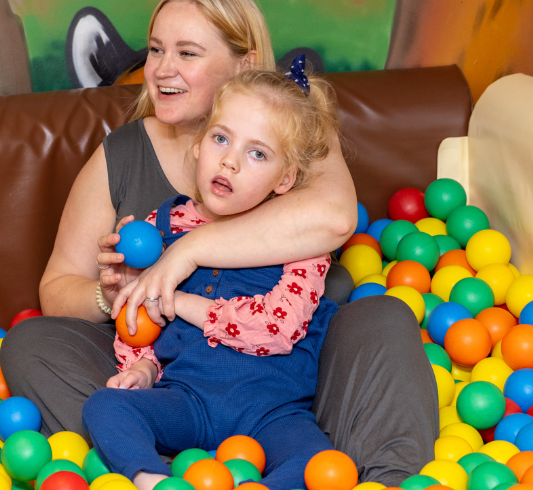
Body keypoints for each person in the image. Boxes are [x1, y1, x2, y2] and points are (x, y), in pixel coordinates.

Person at [0, 0, 437, 485]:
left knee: (382, 312)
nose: (161, 69)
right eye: (157, 49)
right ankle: (156, 470)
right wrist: (112, 294)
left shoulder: (296, 130)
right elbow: (57, 288)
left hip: (290, 377)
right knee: (30, 343)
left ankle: (376, 475)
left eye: (187, 53)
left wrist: (184, 255)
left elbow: (335, 221)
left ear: (245, 65)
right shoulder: (122, 154)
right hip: (172, 372)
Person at [83, 67, 341, 490]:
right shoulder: (162, 225)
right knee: (106, 406)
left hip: (272, 411)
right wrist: (143, 364)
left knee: (318, 466)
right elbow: (139, 321)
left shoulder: (303, 238)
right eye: (221, 138)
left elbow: (277, 328)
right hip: (188, 400)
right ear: (200, 144)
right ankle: (154, 481)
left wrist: (179, 301)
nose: (230, 161)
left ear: (285, 179)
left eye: (257, 154)